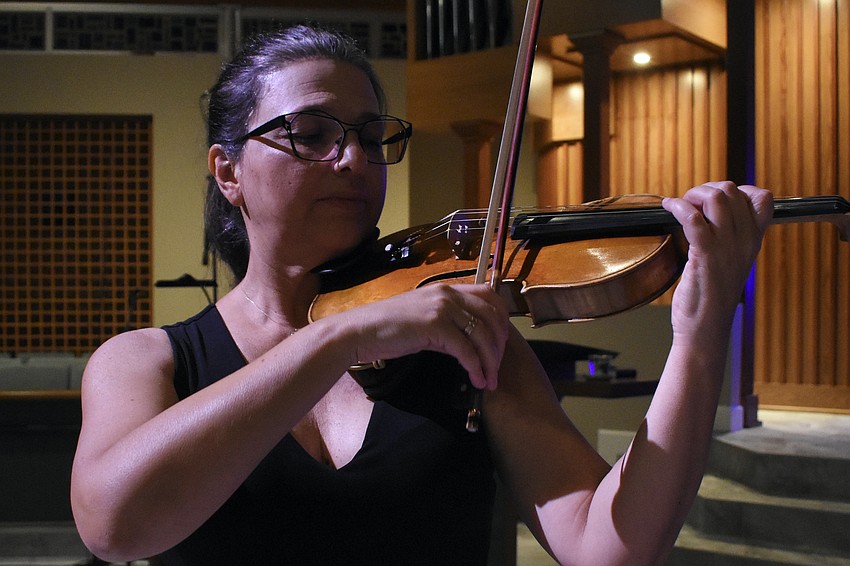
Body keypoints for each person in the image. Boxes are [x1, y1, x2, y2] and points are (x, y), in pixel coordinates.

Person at [70, 23, 774, 565]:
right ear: (228, 171)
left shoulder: (465, 343)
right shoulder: (145, 363)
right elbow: (113, 526)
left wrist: (702, 330)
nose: (352, 159)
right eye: (312, 134)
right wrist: (341, 339)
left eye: (371, 137)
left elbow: (610, 546)